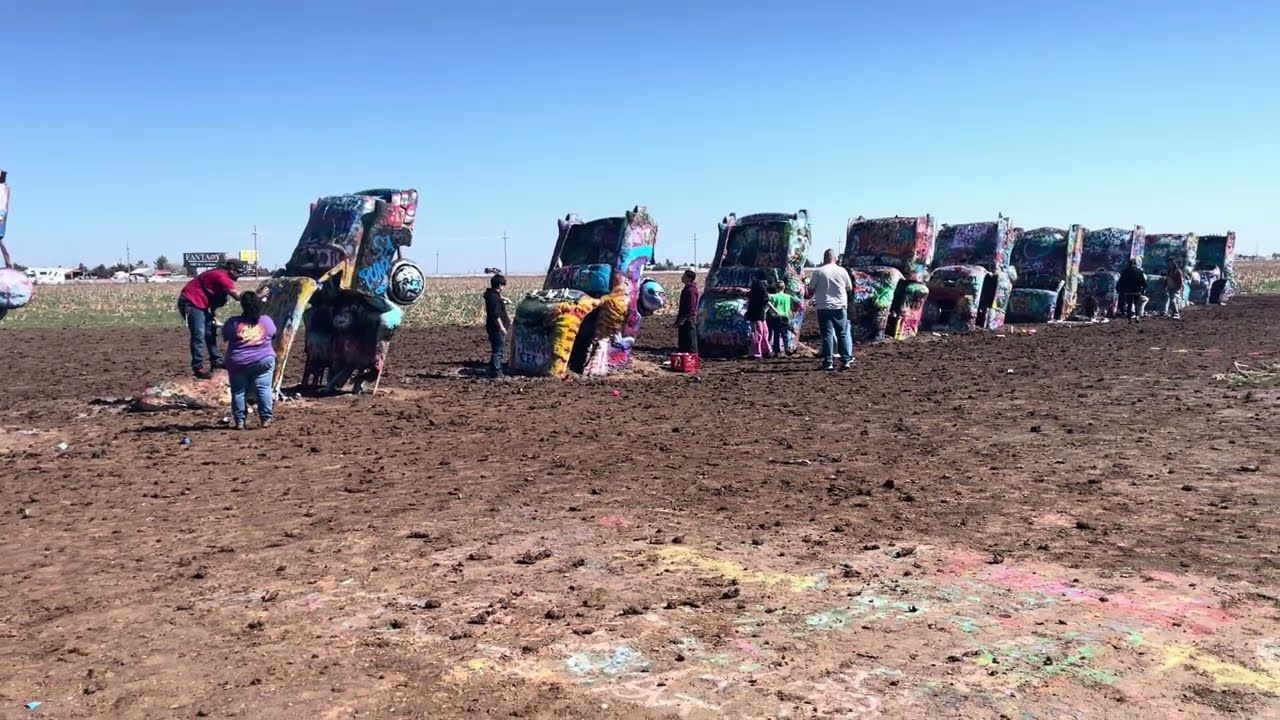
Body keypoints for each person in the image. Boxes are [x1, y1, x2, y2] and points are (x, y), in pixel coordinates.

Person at [178, 259, 245, 378]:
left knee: (210, 332)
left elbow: (215, 299)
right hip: (191, 301)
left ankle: (216, 360)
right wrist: (257, 296)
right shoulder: (221, 276)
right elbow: (237, 296)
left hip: (201, 304)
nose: (239, 275)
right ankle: (198, 367)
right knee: (199, 334)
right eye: (238, 272)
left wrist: (212, 314)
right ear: (231, 269)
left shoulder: (221, 277)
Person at [221, 291, 277, 430]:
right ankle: (266, 418)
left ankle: (240, 421)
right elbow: (273, 334)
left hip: (238, 362)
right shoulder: (266, 320)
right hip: (263, 359)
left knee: (238, 391)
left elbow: (225, 336)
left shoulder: (233, 322)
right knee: (263, 388)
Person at [807, 249, 854, 370]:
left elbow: (810, 289)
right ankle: (846, 360)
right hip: (840, 305)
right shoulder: (842, 271)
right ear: (835, 258)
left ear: (824, 258)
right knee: (842, 333)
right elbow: (849, 287)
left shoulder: (819, 271)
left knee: (827, 335)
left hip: (823, 306)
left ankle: (828, 362)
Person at [484, 273, 510, 378]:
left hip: (492, 327)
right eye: (503, 285)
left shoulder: (492, 295)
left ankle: (493, 369)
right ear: (500, 285)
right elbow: (496, 315)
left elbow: (496, 301)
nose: (503, 287)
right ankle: (496, 372)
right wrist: (502, 327)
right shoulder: (494, 298)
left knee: (497, 349)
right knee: (498, 350)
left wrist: (503, 299)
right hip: (496, 328)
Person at [745, 271, 772, 359]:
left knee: (759, 332)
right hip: (758, 314)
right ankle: (759, 352)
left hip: (754, 314)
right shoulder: (762, 287)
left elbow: (749, 298)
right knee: (761, 332)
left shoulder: (754, 286)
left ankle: (761, 351)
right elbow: (766, 300)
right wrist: (774, 310)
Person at [675, 268, 700, 354]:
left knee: (690, 341)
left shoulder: (691, 290)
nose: (682, 277)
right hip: (685, 318)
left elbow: (691, 306)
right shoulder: (687, 289)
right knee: (684, 341)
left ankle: (692, 357)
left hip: (689, 319)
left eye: (684, 276)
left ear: (689, 278)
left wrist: (684, 318)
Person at [767, 281, 794, 356]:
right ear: (784, 288)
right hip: (785, 317)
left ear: (776, 288)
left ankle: (776, 350)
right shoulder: (788, 297)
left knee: (776, 334)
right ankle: (787, 348)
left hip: (775, 317)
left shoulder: (773, 297)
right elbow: (790, 308)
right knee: (785, 334)